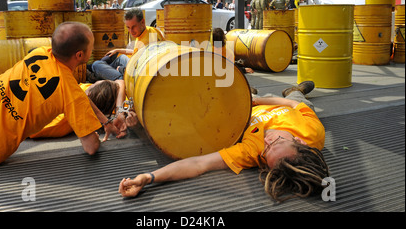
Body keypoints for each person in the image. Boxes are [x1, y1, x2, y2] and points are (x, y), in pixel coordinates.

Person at [119, 80, 330, 203]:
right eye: (275, 142)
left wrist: (149, 177)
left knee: (234, 91)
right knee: (300, 100)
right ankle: (295, 89)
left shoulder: (251, 152)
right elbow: (293, 106)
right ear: (299, 141)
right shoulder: (312, 131)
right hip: (277, 105)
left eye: (267, 150)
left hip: (242, 112)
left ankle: (254, 91)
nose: (266, 141)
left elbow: (198, 164)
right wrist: (255, 101)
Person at [0, 22, 121, 168]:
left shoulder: (40, 52)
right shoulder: (69, 91)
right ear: (79, 55)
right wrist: (99, 138)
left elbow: (77, 94)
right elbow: (90, 147)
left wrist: (105, 121)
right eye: (92, 45)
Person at [30, 80, 138, 140]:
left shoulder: (61, 117)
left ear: (88, 92)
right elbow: (120, 83)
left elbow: (29, 129)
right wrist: (121, 113)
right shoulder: (107, 104)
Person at [91, 8, 165, 81]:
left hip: (137, 73)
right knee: (119, 57)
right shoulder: (151, 30)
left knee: (96, 65)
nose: (131, 31)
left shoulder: (146, 41)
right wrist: (118, 50)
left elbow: (141, 71)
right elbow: (138, 51)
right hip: (138, 64)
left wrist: (122, 69)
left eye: (133, 27)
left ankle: (113, 76)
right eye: (128, 27)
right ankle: (98, 72)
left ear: (142, 22)